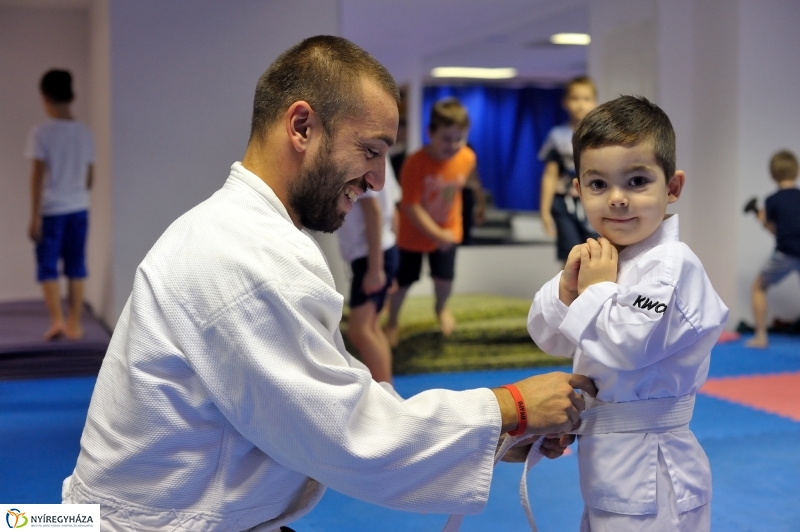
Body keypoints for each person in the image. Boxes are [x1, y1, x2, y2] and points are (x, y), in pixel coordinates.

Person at [63, 36, 596, 531]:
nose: (378, 180)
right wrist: (510, 407)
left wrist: (500, 434)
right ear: (301, 127)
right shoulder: (245, 258)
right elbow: (348, 434)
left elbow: (337, 390)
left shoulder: (241, 232)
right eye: (370, 150)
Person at [528, 96, 728, 531]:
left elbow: (628, 347)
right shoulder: (606, 259)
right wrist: (566, 290)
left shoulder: (673, 265)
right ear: (578, 190)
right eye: (599, 184)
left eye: (637, 181)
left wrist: (595, 291)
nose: (617, 199)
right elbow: (551, 338)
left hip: (653, 467)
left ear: (672, 187)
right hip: (608, 460)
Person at [385, 98, 483, 344]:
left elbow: (470, 181)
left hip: (448, 229)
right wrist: (437, 235)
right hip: (413, 232)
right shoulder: (414, 163)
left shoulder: (467, 157)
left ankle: (441, 308)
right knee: (403, 282)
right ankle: (392, 321)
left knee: (444, 280)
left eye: (459, 139)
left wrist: (480, 202)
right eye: (446, 139)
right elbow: (411, 206)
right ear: (430, 133)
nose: (453, 145)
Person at [26, 69, 95, 340]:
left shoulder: (41, 132)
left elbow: (37, 176)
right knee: (76, 265)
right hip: (79, 207)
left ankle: (57, 320)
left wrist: (34, 216)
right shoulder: (85, 134)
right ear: (73, 95)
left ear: (45, 98)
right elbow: (90, 178)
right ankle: (74, 323)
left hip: (52, 209)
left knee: (48, 265)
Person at [336, 158, 401, 382]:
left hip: (372, 255)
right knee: (371, 327)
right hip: (381, 251)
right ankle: (388, 389)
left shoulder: (363, 159)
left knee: (360, 330)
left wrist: (376, 268)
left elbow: (373, 212)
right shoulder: (382, 158)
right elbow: (393, 211)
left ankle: (386, 391)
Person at [539, 76, 598, 264]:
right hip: (564, 202)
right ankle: (568, 283)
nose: (580, 104)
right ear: (565, 102)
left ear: (595, 102)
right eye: (575, 98)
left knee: (595, 250)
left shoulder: (602, 136)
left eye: (586, 99)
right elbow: (550, 175)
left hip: (593, 201)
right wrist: (544, 211)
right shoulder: (557, 136)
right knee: (571, 254)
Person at [745, 150, 800, 348]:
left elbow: (775, 230)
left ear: (772, 175)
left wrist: (762, 219)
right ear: (797, 171)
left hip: (786, 253)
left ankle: (761, 337)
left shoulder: (772, 200)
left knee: (758, 287)